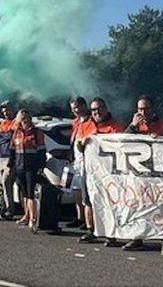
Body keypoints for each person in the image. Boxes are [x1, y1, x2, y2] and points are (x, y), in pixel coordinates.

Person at [121, 95, 163, 253]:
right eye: (140, 109)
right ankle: (137, 238)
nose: (142, 112)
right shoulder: (135, 126)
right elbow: (122, 142)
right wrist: (132, 126)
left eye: (146, 108)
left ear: (152, 109)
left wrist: (161, 140)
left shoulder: (162, 125)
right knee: (139, 206)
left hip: (159, 175)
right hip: (140, 175)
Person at [76, 97, 124, 244]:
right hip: (89, 170)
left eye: (100, 108)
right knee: (88, 201)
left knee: (109, 202)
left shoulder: (116, 126)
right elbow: (78, 147)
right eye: (94, 110)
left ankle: (111, 234)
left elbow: (122, 146)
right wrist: (82, 143)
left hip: (109, 172)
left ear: (106, 108)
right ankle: (91, 230)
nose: (97, 112)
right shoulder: (85, 125)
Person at [10, 109, 46, 232]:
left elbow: (42, 150)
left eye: (27, 119)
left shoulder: (37, 132)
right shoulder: (16, 133)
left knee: (31, 194)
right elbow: (12, 149)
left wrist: (41, 166)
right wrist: (11, 165)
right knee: (24, 193)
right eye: (23, 119)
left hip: (32, 166)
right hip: (20, 166)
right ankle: (26, 215)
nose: (25, 121)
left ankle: (33, 219)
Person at [67, 96, 90, 229]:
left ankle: (88, 221)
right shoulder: (75, 122)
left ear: (83, 106)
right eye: (73, 108)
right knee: (76, 191)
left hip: (85, 160)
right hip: (74, 160)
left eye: (77, 107)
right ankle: (79, 217)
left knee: (86, 193)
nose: (75, 110)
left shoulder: (90, 120)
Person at [0, 101, 17, 221]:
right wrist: (6, 136)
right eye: (3, 111)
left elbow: (13, 136)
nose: (5, 113)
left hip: (10, 157)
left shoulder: (16, 123)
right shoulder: (3, 123)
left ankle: (9, 209)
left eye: (7, 110)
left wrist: (5, 136)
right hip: (0, 156)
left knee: (6, 182)